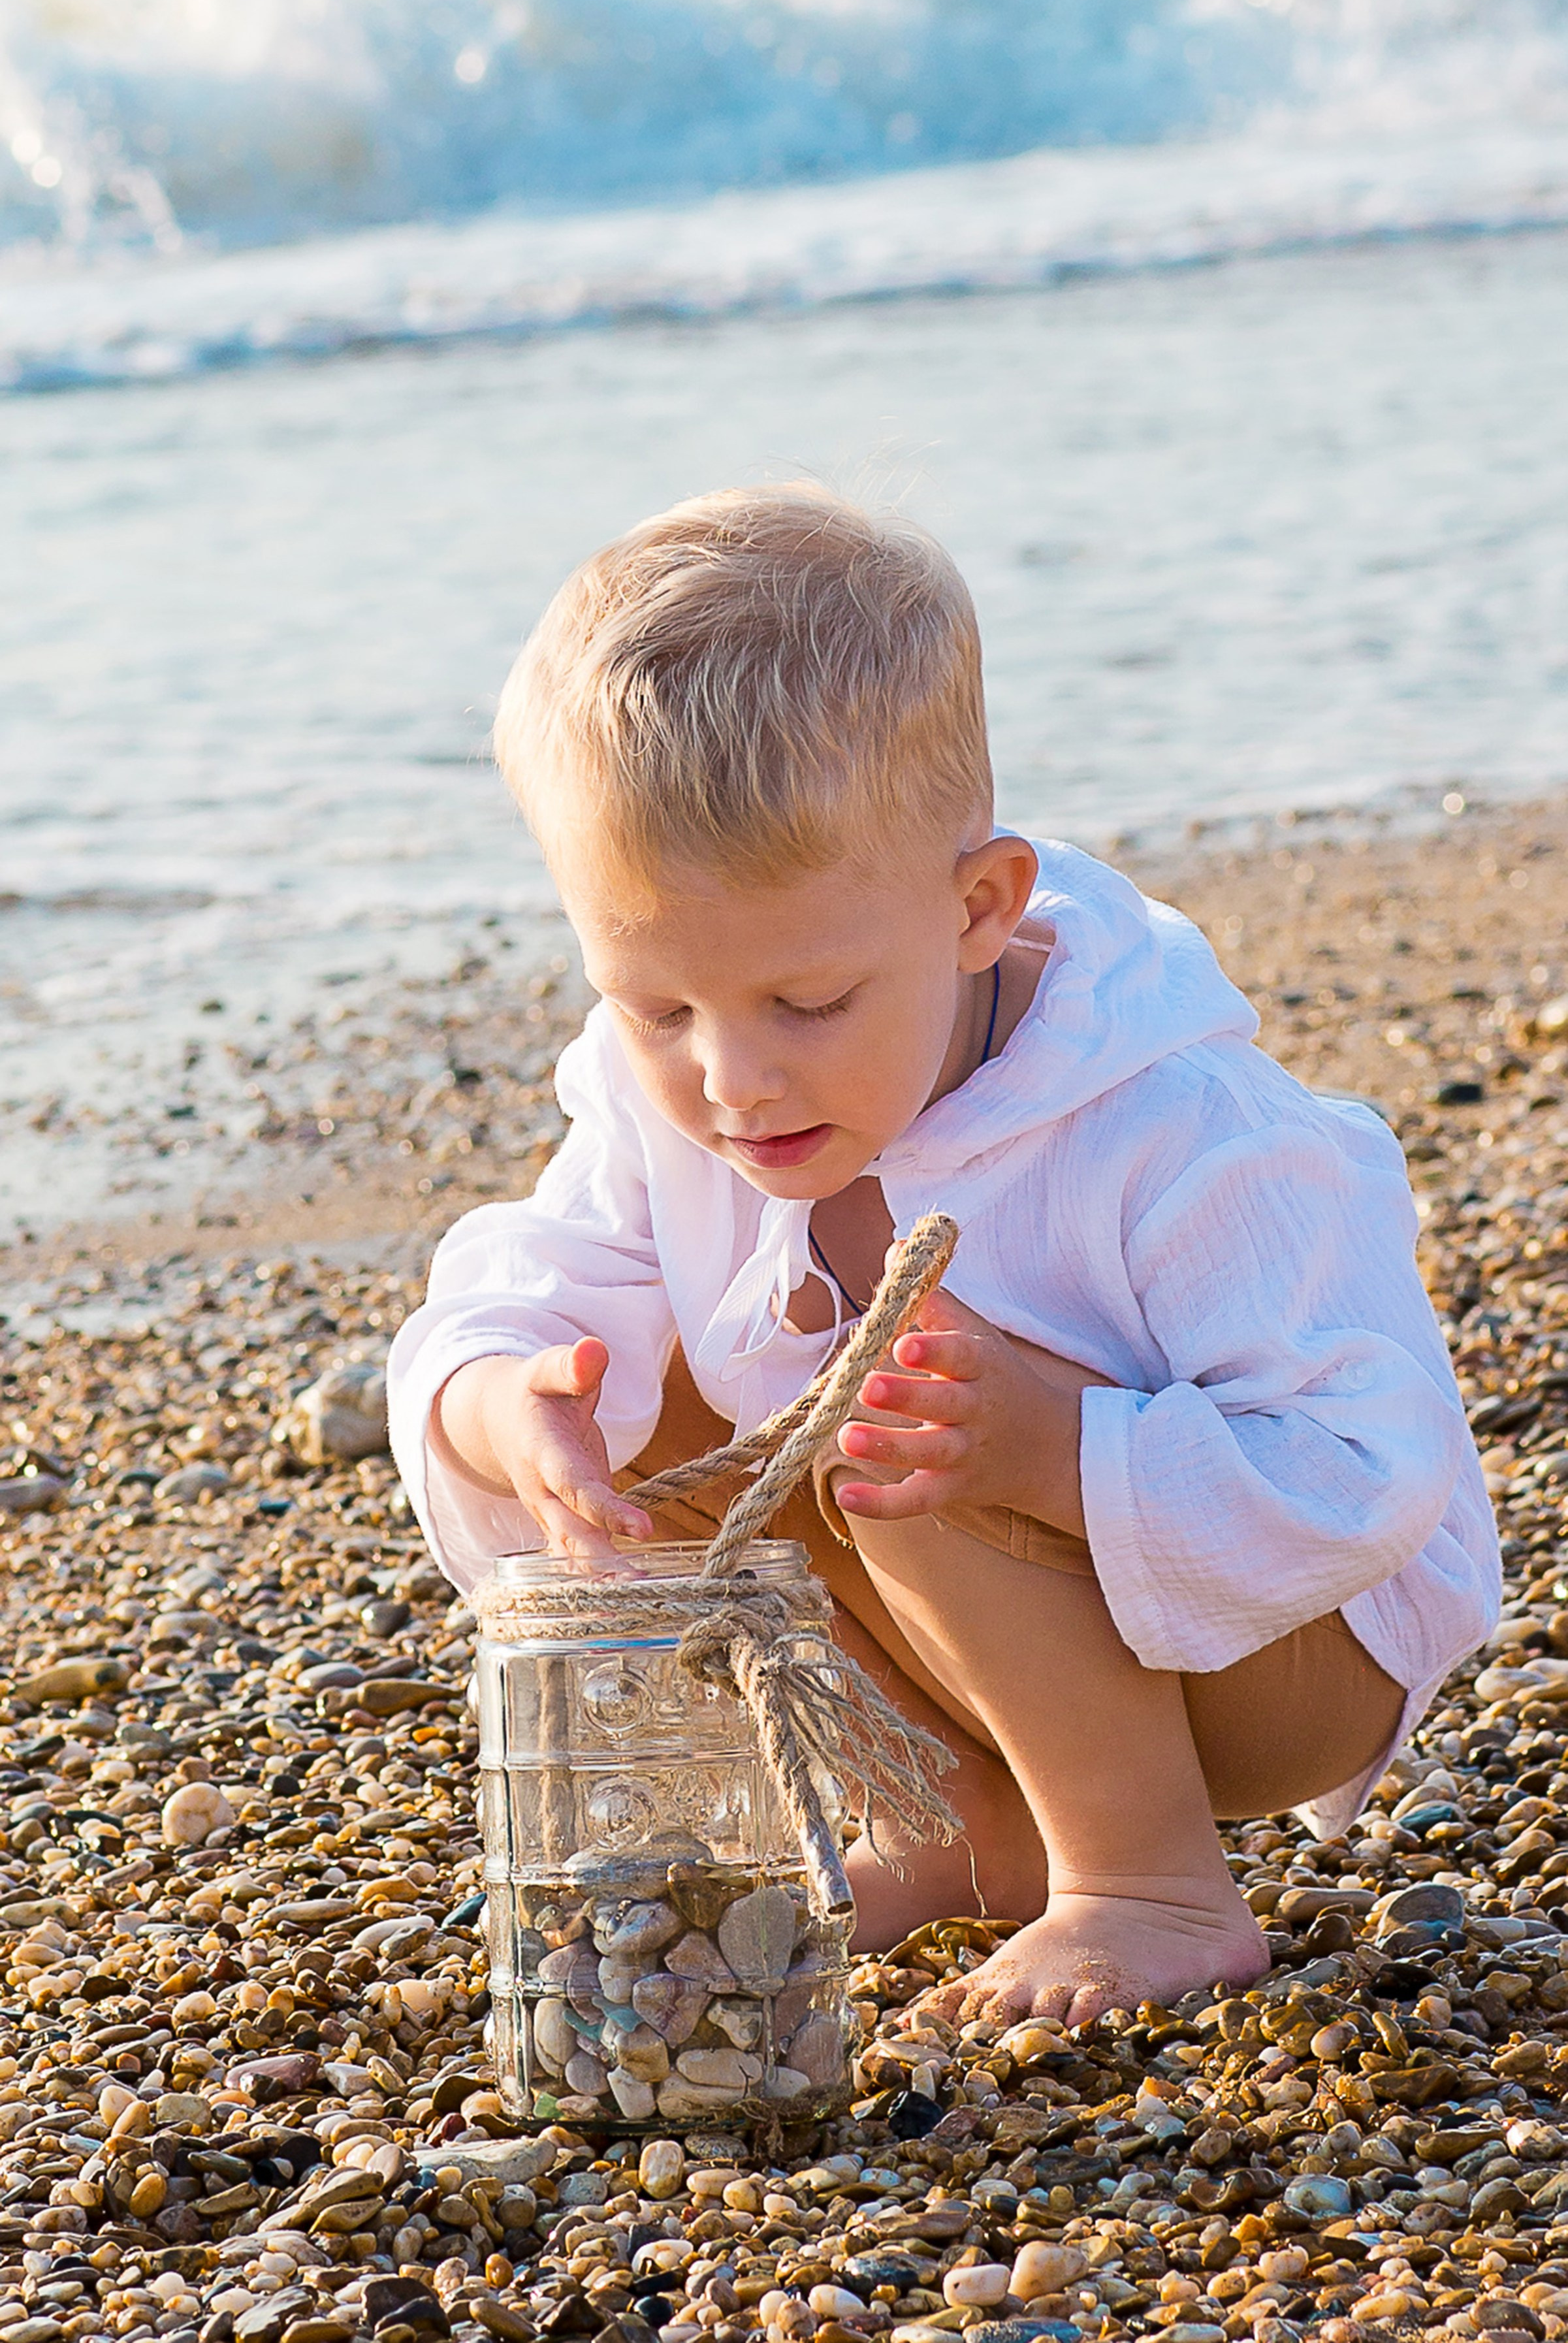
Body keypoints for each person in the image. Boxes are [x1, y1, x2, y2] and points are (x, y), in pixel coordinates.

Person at [386, 483, 1498, 2026]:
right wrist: (507, 1403)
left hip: (1285, 1646)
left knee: (899, 1404)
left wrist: (1056, 1446)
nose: (733, 1079)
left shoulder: (1184, 1127)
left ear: (980, 907)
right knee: (633, 1423)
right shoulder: (685, 1098)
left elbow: (1366, 1469)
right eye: (658, 1007)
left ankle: (1146, 1877)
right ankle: (967, 1826)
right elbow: (529, 1269)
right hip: (999, 1620)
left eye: (809, 1001)